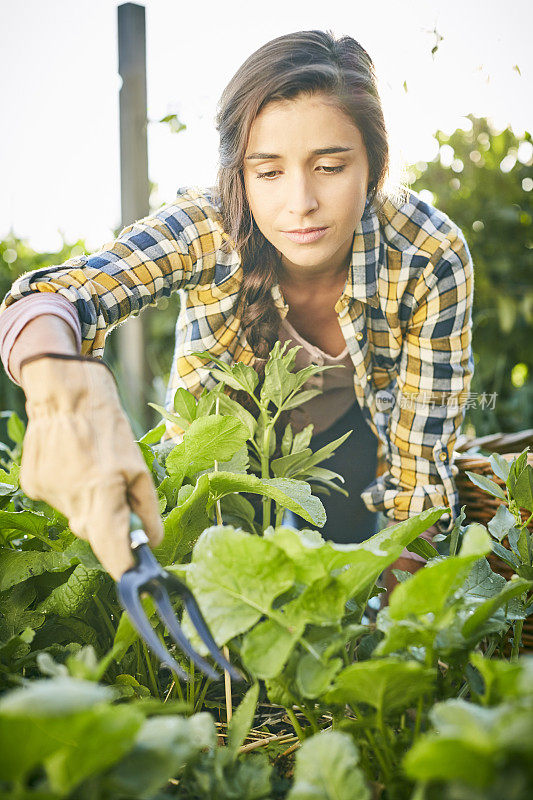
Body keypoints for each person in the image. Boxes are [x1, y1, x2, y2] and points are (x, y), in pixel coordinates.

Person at [0, 30, 473, 588]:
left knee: (344, 588)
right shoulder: (209, 229)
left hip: (351, 439)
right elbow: (57, 294)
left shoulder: (426, 254)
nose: (300, 203)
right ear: (239, 178)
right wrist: (61, 391)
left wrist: (403, 616)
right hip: (222, 455)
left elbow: (420, 464)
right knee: (218, 595)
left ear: (375, 164)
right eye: (269, 172)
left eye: (329, 166)